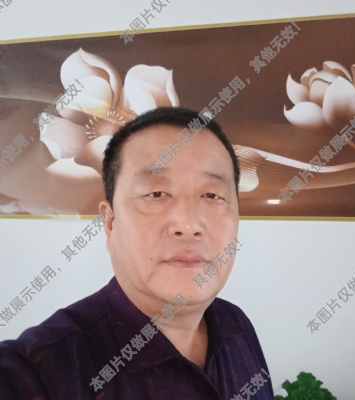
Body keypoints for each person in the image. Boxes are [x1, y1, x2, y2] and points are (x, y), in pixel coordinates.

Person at [0, 107, 274, 399]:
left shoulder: (237, 325)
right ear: (110, 222)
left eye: (212, 195)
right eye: (156, 194)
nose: (189, 224)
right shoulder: (40, 370)